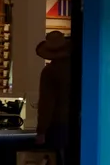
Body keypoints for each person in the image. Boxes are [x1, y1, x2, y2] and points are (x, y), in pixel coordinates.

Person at [34, 31, 72, 163]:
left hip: (58, 125)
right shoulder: (79, 68)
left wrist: (41, 131)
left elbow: (47, 103)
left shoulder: (50, 71)